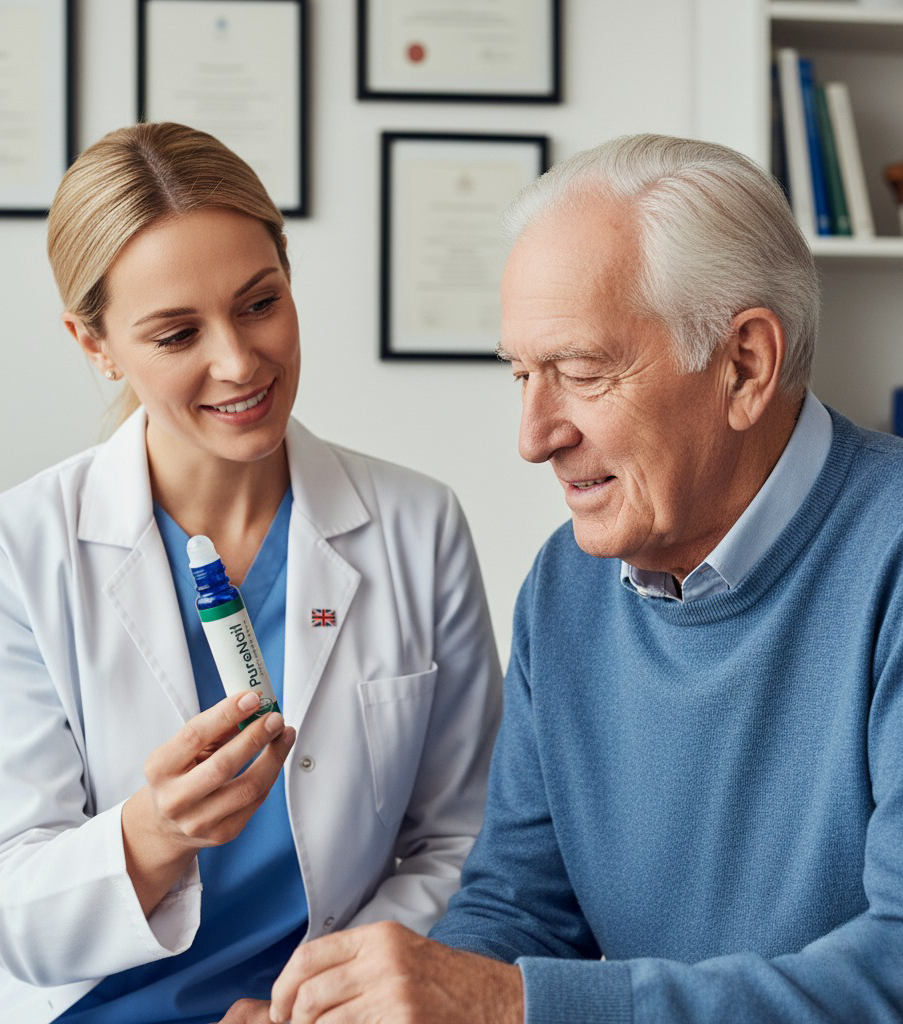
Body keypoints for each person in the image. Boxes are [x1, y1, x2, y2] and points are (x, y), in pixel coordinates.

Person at [266, 133, 903, 1023]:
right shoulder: (566, 584)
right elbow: (518, 907)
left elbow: (894, 968)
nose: (534, 437)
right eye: (523, 373)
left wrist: (514, 1006)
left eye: (581, 372)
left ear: (745, 366)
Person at [0, 122, 502, 1024]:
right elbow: (7, 905)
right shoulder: (13, 551)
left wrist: (323, 999)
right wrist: (153, 832)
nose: (238, 361)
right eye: (178, 333)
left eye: (259, 303)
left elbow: (460, 840)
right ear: (95, 343)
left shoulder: (418, 527)